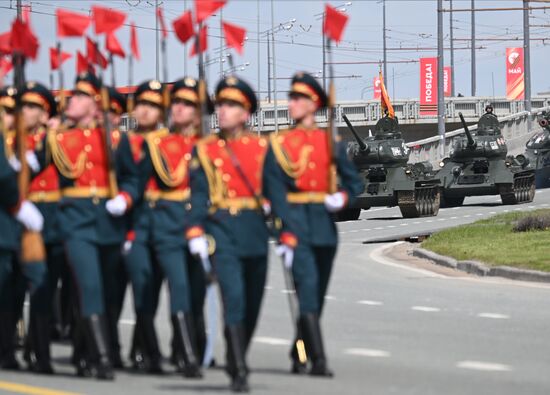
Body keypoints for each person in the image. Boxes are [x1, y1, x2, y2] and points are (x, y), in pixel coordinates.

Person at [186, 75, 298, 392]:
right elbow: (197, 194)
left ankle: (238, 352)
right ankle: (239, 369)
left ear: (246, 112)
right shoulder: (205, 150)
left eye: (231, 105)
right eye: (220, 104)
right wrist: (194, 228)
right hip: (221, 229)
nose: (222, 111)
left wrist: (288, 233)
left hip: (254, 231)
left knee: (251, 304)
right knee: (232, 299)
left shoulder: (264, 148)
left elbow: (277, 195)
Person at [42, 72, 139, 380]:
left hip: (109, 223)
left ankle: (84, 354)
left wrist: (125, 197)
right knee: (89, 285)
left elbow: (131, 178)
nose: (73, 100)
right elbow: (29, 170)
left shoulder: (114, 138)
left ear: (97, 106)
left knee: (106, 291)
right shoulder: (58, 138)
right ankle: (102, 358)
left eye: (82, 97)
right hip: (75, 222)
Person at [270, 72, 362, 377]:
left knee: (315, 296)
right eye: (291, 97)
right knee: (306, 293)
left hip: (324, 229)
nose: (291, 103)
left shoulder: (330, 143)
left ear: (313, 103)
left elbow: (354, 182)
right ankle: (318, 359)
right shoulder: (280, 144)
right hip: (296, 228)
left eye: (298, 98)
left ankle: (298, 350)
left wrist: (342, 197)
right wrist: (283, 234)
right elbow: (275, 192)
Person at [0, 86, 45, 371]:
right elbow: (3, 177)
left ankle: (6, 350)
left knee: (13, 292)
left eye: (10, 110)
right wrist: (18, 205)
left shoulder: (22, 143)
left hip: (12, 233)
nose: (8, 116)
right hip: (7, 225)